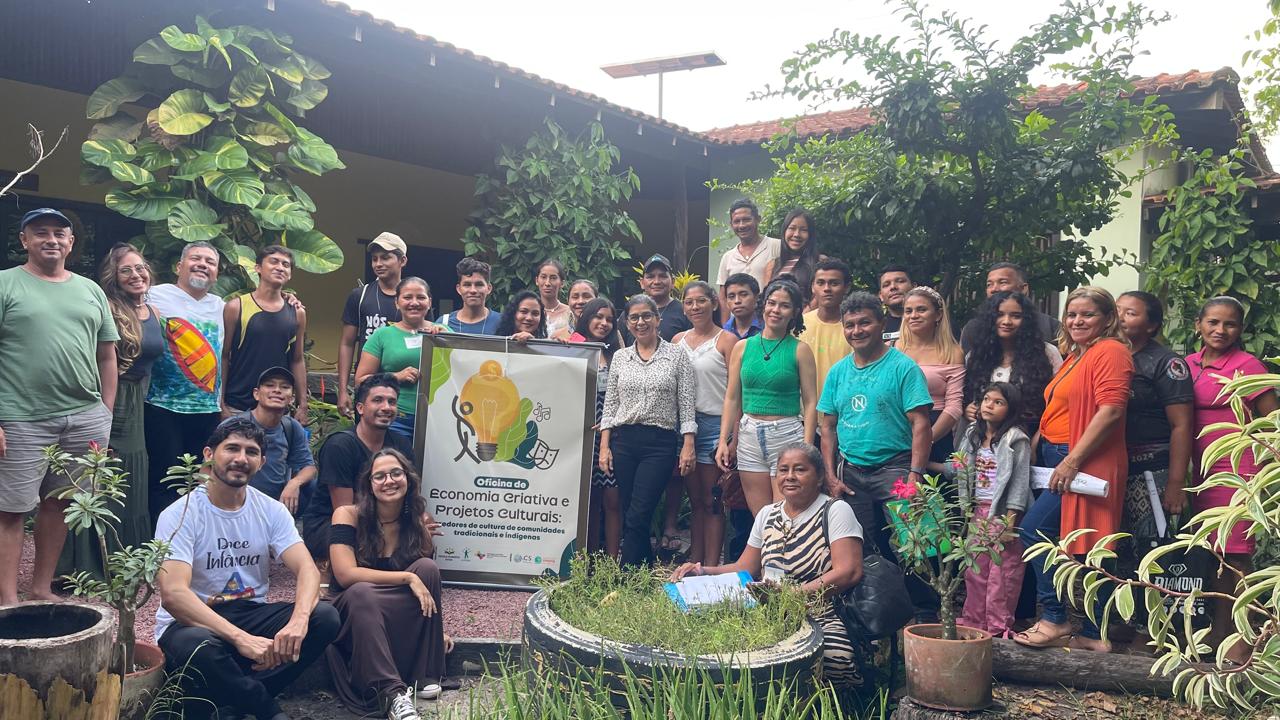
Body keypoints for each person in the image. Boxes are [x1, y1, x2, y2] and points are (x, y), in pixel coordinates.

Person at [154, 418, 340, 720]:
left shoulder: (270, 510)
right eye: (232, 448)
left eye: (251, 452)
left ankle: (233, 704)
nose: (241, 458)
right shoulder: (181, 513)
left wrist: (298, 621)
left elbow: (308, 569)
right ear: (209, 454)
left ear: (262, 462)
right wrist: (241, 639)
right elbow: (174, 595)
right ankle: (267, 710)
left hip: (248, 612)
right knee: (196, 644)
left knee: (324, 617)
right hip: (194, 620)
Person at [671, 442, 865, 688]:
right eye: (783, 470)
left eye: (800, 470)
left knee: (834, 660)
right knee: (726, 655)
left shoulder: (835, 511)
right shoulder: (768, 514)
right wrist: (701, 571)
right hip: (768, 612)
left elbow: (849, 571)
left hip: (821, 613)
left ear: (819, 478)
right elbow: (744, 568)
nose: (790, 476)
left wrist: (791, 595)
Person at [0, 208, 117, 605]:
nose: (51, 239)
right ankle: (7, 601)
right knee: (11, 510)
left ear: (70, 242)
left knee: (60, 504)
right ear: (24, 240)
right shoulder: (5, 284)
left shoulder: (90, 290)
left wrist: (105, 412)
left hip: (85, 418)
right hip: (20, 417)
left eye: (59, 233)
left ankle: (40, 588)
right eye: (41, 232)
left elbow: (107, 355)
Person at [1015, 287, 1133, 653]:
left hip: (1086, 460)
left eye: (1087, 314)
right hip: (1061, 455)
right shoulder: (1077, 355)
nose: (1077, 321)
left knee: (1037, 531)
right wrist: (1041, 437)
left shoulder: (1111, 351)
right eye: (1072, 314)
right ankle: (1095, 634)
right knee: (1086, 546)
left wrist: (1071, 460)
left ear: (1108, 318)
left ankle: (1055, 618)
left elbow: (1110, 411)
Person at [817, 291, 938, 621]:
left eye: (865, 323)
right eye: (850, 325)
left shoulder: (903, 367)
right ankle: (874, 616)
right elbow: (827, 426)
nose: (857, 330)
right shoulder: (838, 372)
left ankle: (925, 615)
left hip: (896, 468)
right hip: (851, 472)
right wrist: (830, 475)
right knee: (863, 547)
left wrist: (915, 474)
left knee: (917, 545)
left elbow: (921, 423)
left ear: (882, 324)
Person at [58, 243, 162, 581]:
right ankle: (92, 564)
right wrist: (105, 415)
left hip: (140, 400)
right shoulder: (109, 308)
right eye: (125, 270)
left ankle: (128, 561)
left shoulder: (153, 310)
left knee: (132, 477)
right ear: (114, 277)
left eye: (140, 268)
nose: (136, 275)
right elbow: (102, 362)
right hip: (114, 399)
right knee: (108, 475)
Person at [1187, 296, 1279, 662]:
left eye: (1230, 324)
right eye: (1213, 322)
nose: (1220, 330)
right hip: (1200, 473)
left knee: (1236, 555)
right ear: (1199, 325)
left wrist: (1265, 474)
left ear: (1240, 329)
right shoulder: (1188, 365)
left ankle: (1240, 638)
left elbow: (1272, 422)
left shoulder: (1247, 366)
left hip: (1238, 472)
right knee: (1212, 555)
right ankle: (1217, 631)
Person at [327, 449, 451, 718]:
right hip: (351, 607)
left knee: (427, 568)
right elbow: (345, 575)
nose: (389, 481)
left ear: (408, 478)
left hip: (391, 609)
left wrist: (435, 632)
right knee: (362, 591)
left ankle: (422, 674)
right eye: (380, 476)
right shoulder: (347, 514)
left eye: (396, 473)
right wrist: (407, 577)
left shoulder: (417, 521)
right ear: (369, 485)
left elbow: (422, 585)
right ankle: (391, 694)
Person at [598, 295, 697, 567]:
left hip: (659, 443)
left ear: (657, 319)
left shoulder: (676, 355)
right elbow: (611, 405)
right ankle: (642, 572)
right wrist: (605, 447)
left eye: (646, 316)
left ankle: (625, 575)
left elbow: (686, 403)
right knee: (630, 510)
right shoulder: (621, 357)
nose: (640, 322)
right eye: (634, 317)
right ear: (627, 323)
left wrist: (688, 444)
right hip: (624, 442)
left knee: (639, 512)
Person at [938, 382, 1032, 637]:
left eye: (998, 402)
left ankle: (998, 626)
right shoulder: (973, 434)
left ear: (1010, 409)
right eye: (986, 399)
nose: (989, 405)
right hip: (977, 512)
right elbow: (957, 467)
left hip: (1003, 514)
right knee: (975, 569)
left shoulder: (1016, 439)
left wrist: (1009, 523)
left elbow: (1019, 484)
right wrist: (924, 464)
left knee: (1002, 574)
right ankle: (974, 621)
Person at [717, 279, 818, 513]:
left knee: (786, 515)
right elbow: (732, 398)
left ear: (794, 312)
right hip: (749, 435)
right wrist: (724, 440)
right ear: (763, 305)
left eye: (784, 305)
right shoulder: (742, 347)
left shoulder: (800, 350)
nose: (776, 310)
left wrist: (806, 447)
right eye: (772, 303)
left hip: (786, 434)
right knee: (761, 517)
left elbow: (811, 401)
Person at [145, 241, 226, 525]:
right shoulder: (155, 295)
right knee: (164, 481)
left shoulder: (222, 307)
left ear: (216, 273)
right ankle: (162, 544)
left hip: (208, 410)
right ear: (179, 266)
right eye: (196, 259)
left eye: (210, 262)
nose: (202, 264)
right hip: (162, 407)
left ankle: (193, 540)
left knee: (203, 482)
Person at [303, 375, 415, 564]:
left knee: (421, 534)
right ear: (360, 408)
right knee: (364, 542)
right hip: (333, 524)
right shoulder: (340, 446)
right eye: (378, 400)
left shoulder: (401, 444)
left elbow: (409, 496)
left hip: (384, 521)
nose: (386, 407)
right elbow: (344, 512)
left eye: (392, 402)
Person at [1116, 291, 1193, 531]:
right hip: (1113, 466)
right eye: (1117, 310)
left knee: (1152, 542)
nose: (1120, 317)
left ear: (1151, 326)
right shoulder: (1107, 355)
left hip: (1152, 468)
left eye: (1130, 313)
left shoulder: (1166, 363)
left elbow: (1181, 425)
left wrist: (1176, 482)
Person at [673, 281, 737, 566]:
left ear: (713, 302)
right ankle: (695, 560)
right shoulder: (677, 341)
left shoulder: (727, 341)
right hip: (684, 426)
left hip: (715, 425)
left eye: (701, 300)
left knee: (713, 501)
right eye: (689, 302)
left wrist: (731, 436)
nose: (695, 307)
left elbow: (736, 393)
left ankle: (711, 566)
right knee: (695, 500)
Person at [223, 245, 308, 424]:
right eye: (274, 262)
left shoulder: (297, 313)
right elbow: (224, 356)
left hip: (277, 407)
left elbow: (297, 359)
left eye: (285, 264)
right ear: (258, 268)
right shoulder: (236, 307)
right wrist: (221, 403)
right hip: (237, 405)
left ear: (290, 274)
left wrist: (303, 404)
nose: (280, 267)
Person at [356, 278, 445, 443]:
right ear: (397, 302)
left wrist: (446, 340)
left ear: (429, 302)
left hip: (438, 418)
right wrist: (395, 377)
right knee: (396, 459)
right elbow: (361, 380)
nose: (414, 303)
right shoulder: (382, 335)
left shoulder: (444, 333)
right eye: (407, 297)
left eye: (421, 297)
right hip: (396, 418)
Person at [963, 291, 1061, 436]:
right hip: (984, 439)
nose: (1007, 321)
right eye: (999, 315)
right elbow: (966, 396)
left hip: (1032, 436)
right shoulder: (977, 355)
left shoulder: (1047, 353)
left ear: (1026, 320)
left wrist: (1038, 438)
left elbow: (1058, 402)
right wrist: (967, 410)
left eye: (1016, 316)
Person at [570, 298, 624, 558]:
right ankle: (587, 562)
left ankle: (611, 564)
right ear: (587, 317)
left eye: (609, 319)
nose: (604, 323)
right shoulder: (572, 347)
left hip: (613, 433)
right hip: (580, 434)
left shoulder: (617, 354)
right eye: (598, 317)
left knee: (613, 499)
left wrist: (610, 421)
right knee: (587, 502)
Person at [223, 367, 316, 515]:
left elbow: (309, 467)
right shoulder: (235, 425)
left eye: (284, 387)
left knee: (314, 487)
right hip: (238, 500)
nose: (277, 390)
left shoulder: (291, 427)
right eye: (269, 385)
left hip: (275, 502)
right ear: (256, 394)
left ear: (291, 398)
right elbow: (208, 467)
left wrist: (294, 483)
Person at [338, 232, 407, 418]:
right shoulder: (360, 296)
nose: (378, 264)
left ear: (402, 260)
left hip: (405, 390)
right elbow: (347, 343)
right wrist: (343, 390)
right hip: (367, 387)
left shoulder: (413, 300)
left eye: (385, 258)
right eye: (374, 259)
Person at [897, 286, 966, 464]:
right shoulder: (894, 349)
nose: (914, 315)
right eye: (908, 311)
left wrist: (926, 440)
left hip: (937, 430)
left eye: (921, 309)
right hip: (897, 431)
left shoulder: (952, 353)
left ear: (938, 314)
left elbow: (954, 406)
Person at [959, 262, 1061, 355]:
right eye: (989, 284)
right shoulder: (974, 328)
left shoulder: (1050, 326)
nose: (994, 289)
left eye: (1003, 282)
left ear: (1023, 288)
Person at [799, 258, 853, 399]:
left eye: (834, 283)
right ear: (813, 287)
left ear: (846, 287)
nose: (827, 288)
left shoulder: (856, 329)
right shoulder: (798, 325)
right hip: (802, 410)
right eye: (820, 283)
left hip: (844, 407)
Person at [716, 198, 780, 311]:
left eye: (746, 220)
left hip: (769, 317)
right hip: (737, 320)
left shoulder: (776, 246)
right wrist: (726, 322)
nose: (741, 225)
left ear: (758, 219)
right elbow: (723, 298)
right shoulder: (728, 257)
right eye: (737, 221)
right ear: (731, 224)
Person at [763, 208, 819, 304]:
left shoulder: (819, 262)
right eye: (792, 228)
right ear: (784, 231)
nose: (796, 234)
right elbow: (766, 298)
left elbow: (819, 298)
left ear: (810, 235)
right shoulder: (772, 265)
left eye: (803, 230)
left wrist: (803, 313)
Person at [437, 258, 501, 335]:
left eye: (479, 284)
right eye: (467, 285)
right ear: (459, 289)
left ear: (489, 288)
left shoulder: (502, 322)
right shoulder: (444, 323)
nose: (473, 290)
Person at [535, 259, 573, 340]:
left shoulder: (571, 314)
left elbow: (581, 338)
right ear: (537, 280)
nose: (547, 283)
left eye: (553, 278)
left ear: (562, 283)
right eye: (543, 277)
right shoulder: (529, 313)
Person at [877, 264, 914, 343]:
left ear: (914, 287)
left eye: (900, 281)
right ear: (881, 296)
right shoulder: (877, 329)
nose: (893, 287)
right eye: (886, 285)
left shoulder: (930, 322)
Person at [721, 272, 763, 340]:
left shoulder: (768, 328)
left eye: (743, 295)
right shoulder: (723, 332)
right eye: (731, 296)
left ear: (756, 297)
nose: (737, 301)